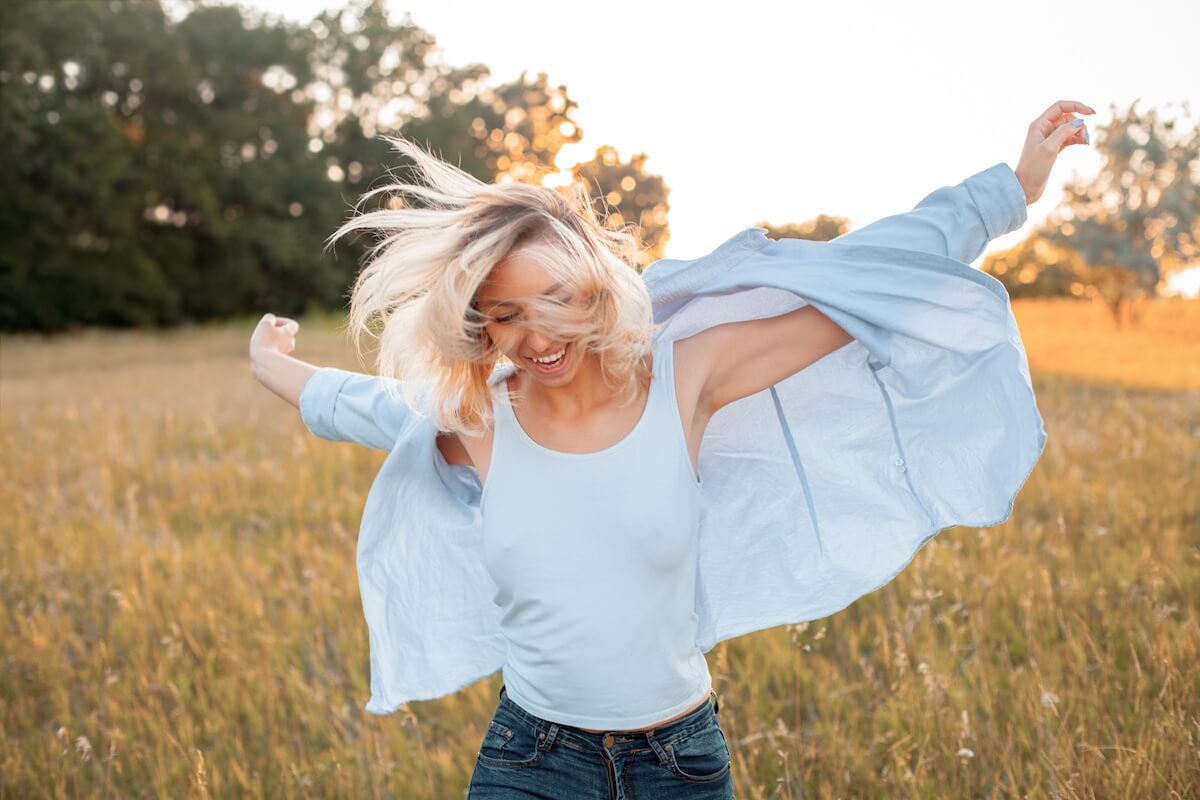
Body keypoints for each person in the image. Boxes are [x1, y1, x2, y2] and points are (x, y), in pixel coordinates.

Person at [249, 100, 1093, 798]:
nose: (536, 338)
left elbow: (857, 275)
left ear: (595, 285)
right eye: (505, 316)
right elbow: (354, 402)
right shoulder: (475, 416)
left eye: (556, 300)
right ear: (479, 324)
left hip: (680, 765)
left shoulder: (683, 379)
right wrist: (268, 364)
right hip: (531, 763)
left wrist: (1011, 188)